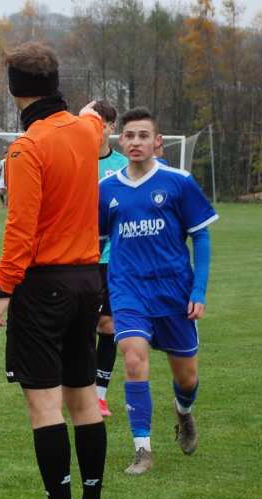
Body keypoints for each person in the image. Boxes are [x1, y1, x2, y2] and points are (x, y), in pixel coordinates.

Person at [0, 42, 107, 499]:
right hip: (88, 281)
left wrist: (1, 291)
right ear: (55, 82)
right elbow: (96, 121)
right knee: (84, 398)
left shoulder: (26, 147)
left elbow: (21, 229)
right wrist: (92, 113)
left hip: (45, 286)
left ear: (13, 89)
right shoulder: (86, 132)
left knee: (44, 405)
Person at [99, 107, 217, 475]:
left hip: (174, 292)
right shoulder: (106, 190)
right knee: (133, 358)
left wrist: (198, 290)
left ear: (158, 142)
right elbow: (97, 244)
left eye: (143, 136)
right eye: (130, 135)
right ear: (122, 140)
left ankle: (183, 412)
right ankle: (142, 450)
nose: (135, 142)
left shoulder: (179, 182)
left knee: (187, 378)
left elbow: (202, 237)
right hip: (128, 290)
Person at [92, 100, 129, 417]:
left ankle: (98, 395)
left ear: (110, 127)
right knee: (78, 328)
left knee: (108, 326)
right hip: (76, 258)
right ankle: (78, 387)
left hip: (113, 258)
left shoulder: (121, 166)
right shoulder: (74, 160)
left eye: (99, 122)